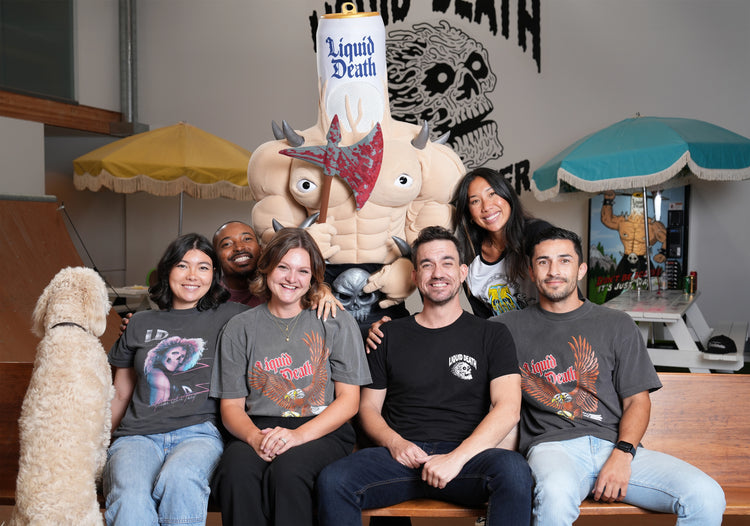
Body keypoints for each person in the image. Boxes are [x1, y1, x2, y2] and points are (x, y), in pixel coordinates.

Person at [495, 226, 726, 526]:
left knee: (706, 495)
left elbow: (637, 402)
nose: (554, 271)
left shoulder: (616, 324)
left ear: (581, 269)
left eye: (564, 260)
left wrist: (623, 453)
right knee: (555, 494)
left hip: (616, 446)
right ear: (531, 270)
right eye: (543, 261)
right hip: (553, 448)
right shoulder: (505, 328)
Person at [317, 226, 533, 526]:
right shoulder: (387, 334)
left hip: (467, 459)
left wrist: (456, 459)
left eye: (447, 263)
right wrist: (396, 444)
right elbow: (368, 409)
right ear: (415, 276)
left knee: (515, 472)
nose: (437, 273)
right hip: (400, 457)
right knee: (333, 480)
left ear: (462, 272)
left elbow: (508, 408)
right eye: (427, 265)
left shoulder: (493, 334)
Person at [209, 227, 371, 526]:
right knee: (236, 472)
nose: (291, 278)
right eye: (283, 267)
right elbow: (231, 407)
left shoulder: (335, 321)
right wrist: (254, 438)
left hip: (322, 427)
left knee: (288, 471)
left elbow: (349, 401)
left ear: (313, 277)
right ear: (267, 267)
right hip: (256, 426)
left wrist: (298, 436)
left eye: (302, 271)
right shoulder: (239, 327)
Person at [104, 233, 249, 526]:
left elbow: (283, 309)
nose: (192, 275)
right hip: (137, 435)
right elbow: (120, 393)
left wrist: (322, 292)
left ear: (214, 276)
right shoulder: (140, 322)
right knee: (129, 494)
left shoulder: (232, 316)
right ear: (167, 270)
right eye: (183, 265)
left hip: (199, 433)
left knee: (180, 478)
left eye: (203, 267)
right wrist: (98, 443)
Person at [366, 167, 550, 351]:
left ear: (507, 195)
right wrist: (392, 330)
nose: (486, 206)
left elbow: (563, 296)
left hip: (549, 342)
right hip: (507, 350)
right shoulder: (470, 258)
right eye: (475, 201)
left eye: (492, 194)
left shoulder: (538, 234)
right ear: (469, 214)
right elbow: (451, 310)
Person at [212, 220, 264, 307]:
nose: (239, 248)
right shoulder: (207, 297)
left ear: (261, 249)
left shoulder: (277, 291)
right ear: (216, 257)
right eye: (227, 244)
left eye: (247, 239)